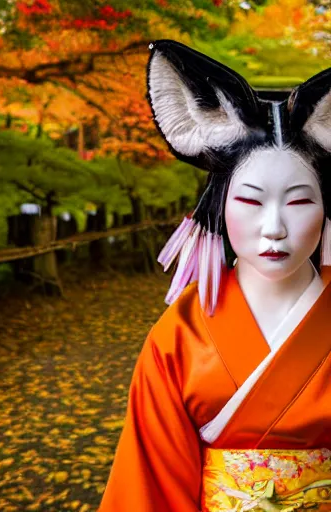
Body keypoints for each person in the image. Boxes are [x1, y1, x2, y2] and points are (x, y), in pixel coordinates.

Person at [98, 39, 331, 512]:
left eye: (300, 201)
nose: (274, 228)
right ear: (219, 208)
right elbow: (151, 483)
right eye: (249, 200)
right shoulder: (178, 337)